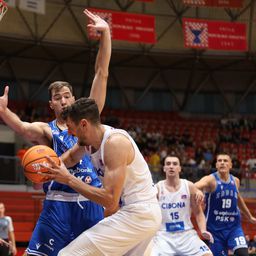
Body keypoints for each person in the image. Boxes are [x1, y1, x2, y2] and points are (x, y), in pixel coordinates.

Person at [0, 9, 111, 256]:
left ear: (74, 98)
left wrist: (105, 37)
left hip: (88, 201)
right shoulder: (46, 130)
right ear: (51, 105)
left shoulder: (87, 117)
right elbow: (22, 128)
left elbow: (101, 74)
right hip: (57, 204)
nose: (63, 101)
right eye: (57, 98)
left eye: (66, 96)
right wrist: (4, 111)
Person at [42, 97, 162, 256]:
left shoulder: (115, 143)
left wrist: (69, 179)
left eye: (71, 127)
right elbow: (70, 158)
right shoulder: (89, 141)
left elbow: (110, 199)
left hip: (139, 213)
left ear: (84, 124)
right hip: (136, 214)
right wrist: (45, 170)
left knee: (69, 254)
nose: (69, 133)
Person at [195, 153, 256, 256]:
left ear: (231, 165)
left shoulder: (235, 181)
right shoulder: (210, 180)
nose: (222, 163)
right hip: (215, 230)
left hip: (234, 228)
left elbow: (238, 199)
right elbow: (194, 186)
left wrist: (249, 216)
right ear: (216, 165)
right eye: (219, 161)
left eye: (225, 161)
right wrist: (197, 190)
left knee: (243, 254)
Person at [151, 155, 213, 256]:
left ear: (179, 168)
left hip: (186, 234)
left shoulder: (189, 186)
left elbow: (198, 212)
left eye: (175, 164)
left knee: (208, 254)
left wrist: (203, 230)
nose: (171, 166)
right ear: (164, 168)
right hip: (163, 235)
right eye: (168, 164)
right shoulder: (157, 188)